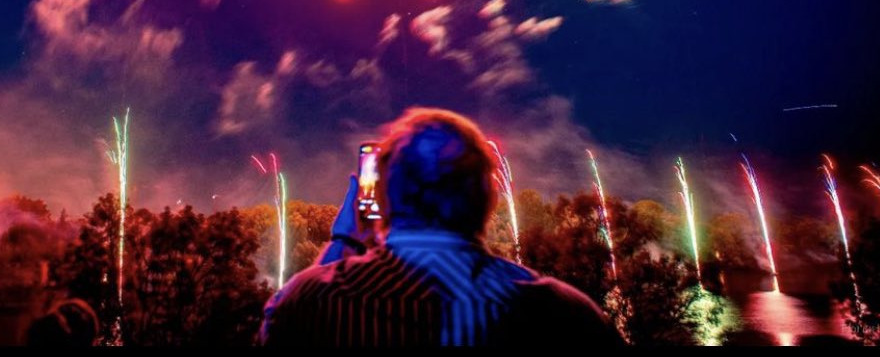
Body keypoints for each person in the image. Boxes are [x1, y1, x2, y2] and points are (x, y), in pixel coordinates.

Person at [261, 108, 622, 346]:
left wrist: (344, 239)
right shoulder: (563, 314)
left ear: (383, 197)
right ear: (489, 198)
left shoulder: (310, 303)